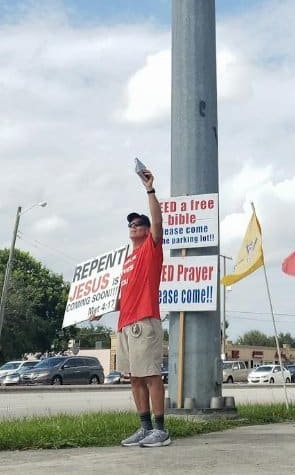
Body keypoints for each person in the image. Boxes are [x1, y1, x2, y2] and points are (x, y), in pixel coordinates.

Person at [116, 165, 169, 448]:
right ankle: (144, 427)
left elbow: (159, 224)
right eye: (130, 224)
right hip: (125, 324)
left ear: (147, 231)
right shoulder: (127, 259)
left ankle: (161, 430)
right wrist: (101, 307)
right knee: (134, 379)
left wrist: (150, 189)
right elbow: (123, 294)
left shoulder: (151, 248)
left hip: (145, 321)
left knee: (150, 376)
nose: (133, 226)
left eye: (138, 223)